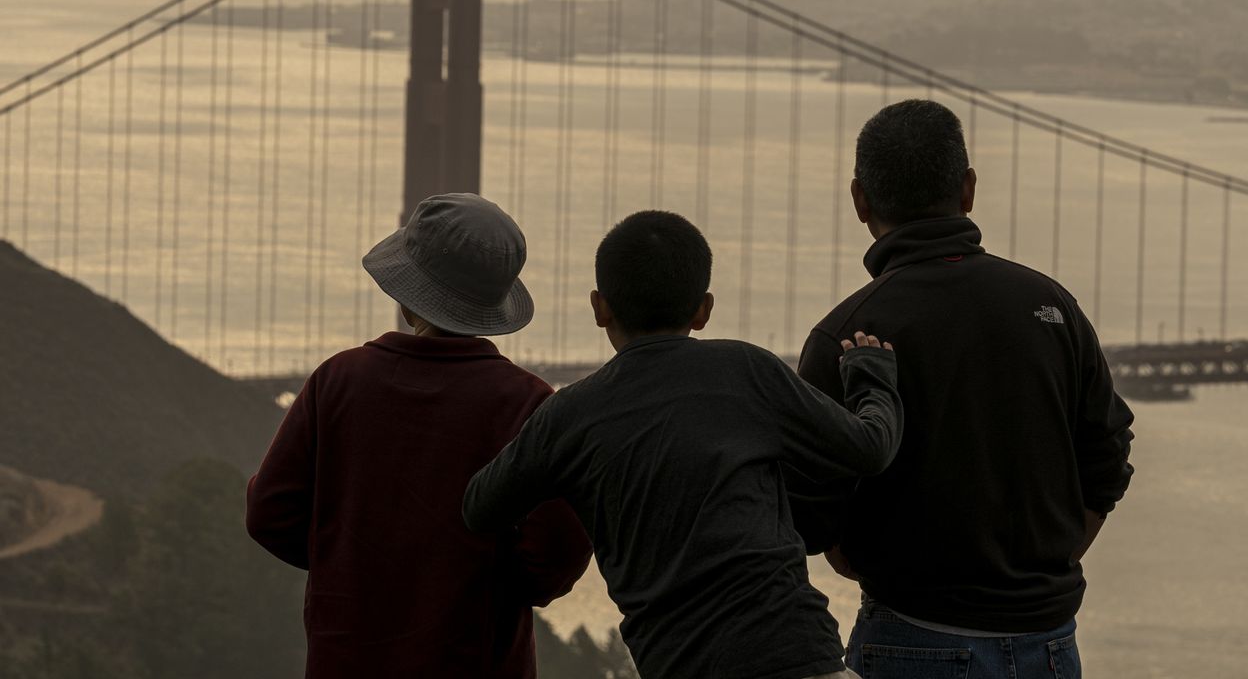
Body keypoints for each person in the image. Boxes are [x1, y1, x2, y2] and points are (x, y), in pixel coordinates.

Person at [464, 210, 904, 679]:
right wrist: (871, 378)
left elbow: (479, 509)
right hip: (797, 655)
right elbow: (870, 447)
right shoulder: (749, 370)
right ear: (704, 309)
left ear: (599, 307)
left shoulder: (569, 414)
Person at [792, 98, 1136, 677]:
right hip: (1050, 647)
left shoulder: (845, 333)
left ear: (860, 201)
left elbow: (811, 511)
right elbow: (1108, 454)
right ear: (969, 189)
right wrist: (1049, 561)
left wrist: (856, 558)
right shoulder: (1051, 306)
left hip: (909, 639)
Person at [246, 192, 592, 679]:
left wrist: (348, 564)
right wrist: (471, 583)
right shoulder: (529, 404)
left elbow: (269, 514)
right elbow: (556, 557)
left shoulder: (339, 380)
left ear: (407, 296)